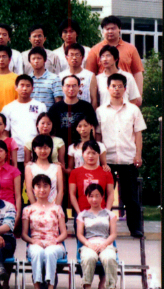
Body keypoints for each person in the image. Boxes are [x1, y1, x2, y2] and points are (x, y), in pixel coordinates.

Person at [97, 73, 146, 238]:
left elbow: (138, 133)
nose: (116, 89)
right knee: (104, 195)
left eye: (120, 86)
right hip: (107, 160)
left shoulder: (133, 110)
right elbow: (98, 136)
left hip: (128, 158)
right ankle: (102, 228)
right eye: (113, 86)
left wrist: (138, 155)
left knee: (130, 196)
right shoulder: (100, 111)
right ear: (108, 88)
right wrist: (100, 159)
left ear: (125, 89)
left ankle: (135, 228)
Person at [21, 174, 67, 289]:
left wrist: (55, 240)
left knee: (50, 252)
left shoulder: (57, 208)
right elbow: (24, 234)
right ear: (33, 189)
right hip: (36, 243)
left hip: (54, 243)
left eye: (45, 186)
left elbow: (64, 233)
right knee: (37, 252)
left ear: (50, 188)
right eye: (38, 186)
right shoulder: (28, 210)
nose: (42, 189)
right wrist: (33, 241)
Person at [76, 183, 120, 289]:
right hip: (89, 244)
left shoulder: (109, 214)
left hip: (105, 243)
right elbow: (79, 234)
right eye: (91, 196)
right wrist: (89, 244)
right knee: (89, 257)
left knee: (109, 258)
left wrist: (104, 245)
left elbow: (113, 234)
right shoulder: (82, 215)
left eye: (97, 196)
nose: (94, 199)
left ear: (102, 197)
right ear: (87, 197)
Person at [85, 15, 144, 94]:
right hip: (104, 92)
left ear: (119, 29)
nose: (110, 31)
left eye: (113, 28)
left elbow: (138, 73)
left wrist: (138, 95)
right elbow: (89, 75)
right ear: (103, 31)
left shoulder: (131, 49)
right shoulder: (95, 50)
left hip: (126, 91)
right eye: (107, 29)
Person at [2, 75, 47, 170]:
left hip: (37, 153)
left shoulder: (40, 106)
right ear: (16, 88)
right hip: (16, 154)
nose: (24, 89)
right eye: (22, 85)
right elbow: (5, 133)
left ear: (32, 88)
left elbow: (44, 131)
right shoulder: (8, 108)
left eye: (28, 86)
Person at [68, 141, 115, 216]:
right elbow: (72, 194)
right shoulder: (75, 172)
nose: (90, 156)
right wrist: (79, 213)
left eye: (94, 153)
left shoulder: (106, 172)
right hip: (81, 212)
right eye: (88, 153)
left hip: (101, 212)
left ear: (98, 154)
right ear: (82, 154)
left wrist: (107, 211)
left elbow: (110, 194)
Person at [48, 74, 97, 142]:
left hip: (81, 145)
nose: (71, 89)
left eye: (74, 85)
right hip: (61, 145)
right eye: (68, 86)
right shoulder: (55, 108)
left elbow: (92, 129)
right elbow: (51, 131)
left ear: (79, 87)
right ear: (62, 88)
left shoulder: (87, 107)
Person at [24, 134, 65, 206]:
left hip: (54, 207)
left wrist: (56, 208)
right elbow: (29, 191)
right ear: (34, 149)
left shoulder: (57, 167)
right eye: (40, 148)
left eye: (46, 148)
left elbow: (60, 191)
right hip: (36, 208)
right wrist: (36, 208)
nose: (43, 151)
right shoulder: (29, 167)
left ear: (51, 148)